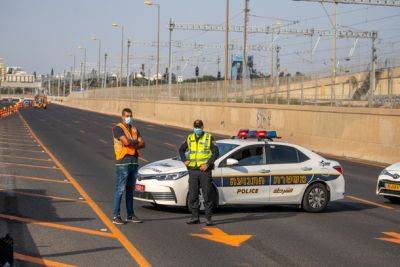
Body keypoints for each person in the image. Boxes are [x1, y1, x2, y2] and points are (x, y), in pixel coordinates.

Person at [179, 119, 219, 226]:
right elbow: (181, 150)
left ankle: (208, 219)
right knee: (193, 195)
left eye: (199, 127)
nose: (197, 129)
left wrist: (208, 164)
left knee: (207, 195)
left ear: (202, 127)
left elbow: (216, 153)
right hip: (193, 170)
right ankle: (194, 217)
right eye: (195, 127)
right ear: (193, 127)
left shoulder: (208, 137)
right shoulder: (190, 137)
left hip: (204, 171)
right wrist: (184, 160)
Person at [112, 108, 145, 225]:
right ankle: (116, 216)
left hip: (134, 162)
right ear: (122, 116)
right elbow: (125, 142)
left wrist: (132, 141)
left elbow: (143, 143)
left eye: (130, 115)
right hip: (123, 162)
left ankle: (130, 215)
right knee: (120, 190)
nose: (128, 117)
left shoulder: (134, 129)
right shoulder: (118, 128)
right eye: (126, 115)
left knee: (130, 191)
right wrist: (135, 142)